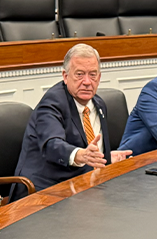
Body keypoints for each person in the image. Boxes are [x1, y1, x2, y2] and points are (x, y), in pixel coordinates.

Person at [13, 44, 132, 199]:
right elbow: (52, 144)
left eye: (92, 74)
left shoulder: (99, 104)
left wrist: (105, 158)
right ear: (65, 76)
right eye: (79, 74)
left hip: (82, 185)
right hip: (43, 190)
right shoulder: (52, 103)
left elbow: (91, 151)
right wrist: (79, 155)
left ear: (99, 78)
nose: (87, 82)